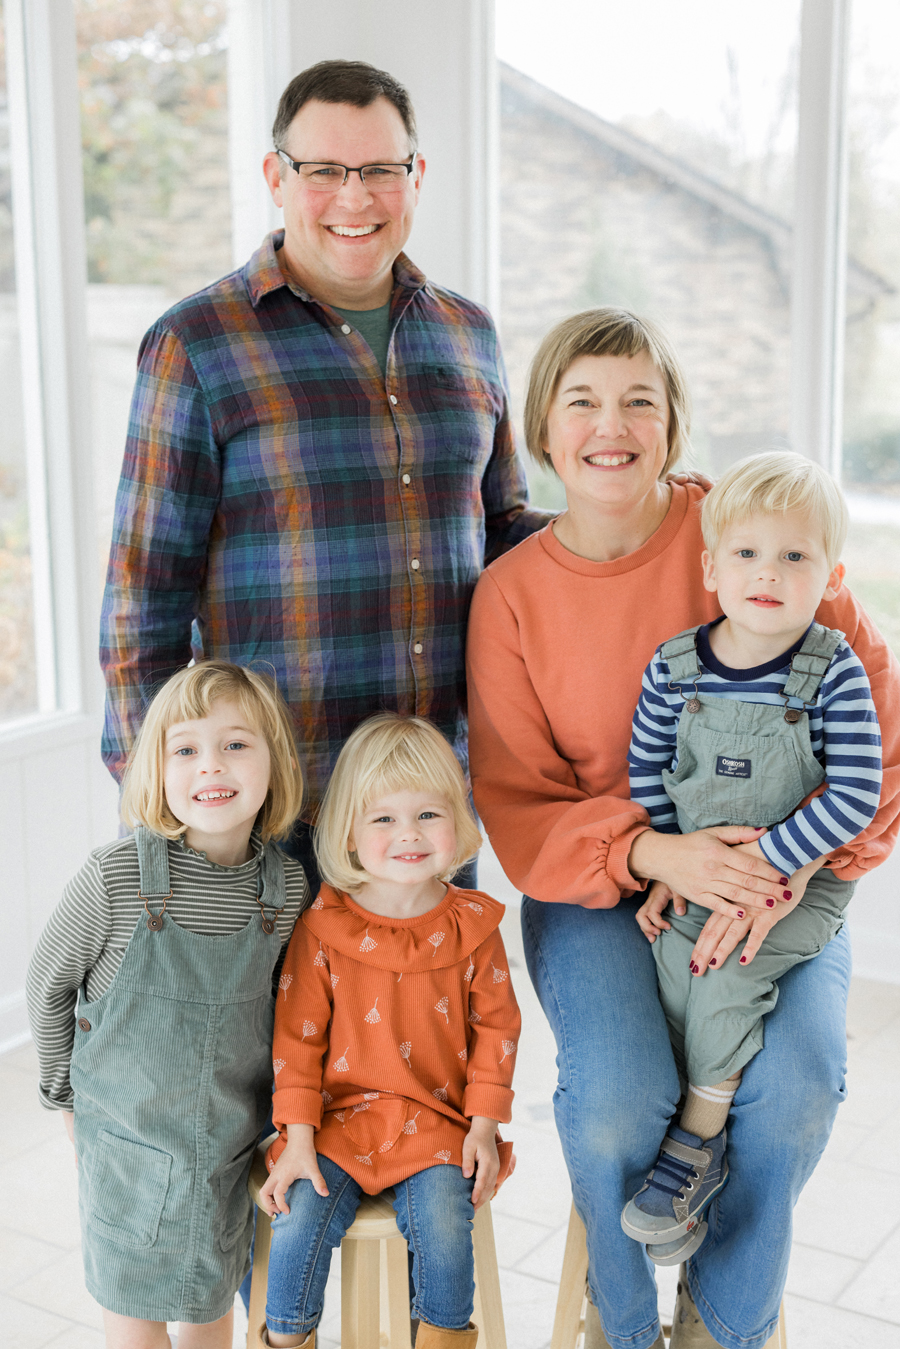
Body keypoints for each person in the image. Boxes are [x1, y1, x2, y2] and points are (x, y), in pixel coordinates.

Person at [465, 308, 900, 1349]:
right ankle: (622, 1325)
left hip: (777, 882)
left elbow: (879, 731)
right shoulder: (511, 596)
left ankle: (719, 1325)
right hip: (600, 893)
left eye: (638, 402)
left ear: (673, 421)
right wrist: (654, 851)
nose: (610, 425)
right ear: (541, 427)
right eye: (582, 401)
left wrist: (786, 865)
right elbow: (518, 802)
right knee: (617, 1100)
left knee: (792, 1089)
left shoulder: (752, 530)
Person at [98, 58, 549, 892]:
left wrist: (640, 519)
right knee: (277, 1030)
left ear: (417, 176)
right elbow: (143, 598)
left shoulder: (468, 335)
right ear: (276, 176)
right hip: (272, 814)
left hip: (428, 807)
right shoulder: (197, 343)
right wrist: (160, 817)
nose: (356, 197)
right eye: (324, 171)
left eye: (381, 168)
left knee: (437, 1024)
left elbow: (502, 533)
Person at [619, 452, 882, 1266]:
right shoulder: (674, 666)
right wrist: (666, 866)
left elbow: (856, 794)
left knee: (727, 973)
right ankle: (703, 1112)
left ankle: (697, 1143)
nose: (768, 573)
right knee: (672, 970)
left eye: (795, 556)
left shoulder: (832, 667)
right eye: (747, 553)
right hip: (697, 873)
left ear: (830, 574)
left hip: (797, 888)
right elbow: (649, 773)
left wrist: (765, 866)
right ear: (711, 567)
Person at [26, 661, 308, 1349]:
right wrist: (63, 1094)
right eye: (185, 749)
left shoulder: (286, 890)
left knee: (209, 1314)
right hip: (126, 1150)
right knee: (136, 1329)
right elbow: (46, 984)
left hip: (225, 1154)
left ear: (275, 759)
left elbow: (291, 1017)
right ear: (156, 769)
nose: (211, 764)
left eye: (236, 743)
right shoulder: (115, 879)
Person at [255, 713, 520, 1349]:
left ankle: (440, 1338)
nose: (409, 834)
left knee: (447, 1232)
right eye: (383, 819)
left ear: (457, 822)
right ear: (348, 831)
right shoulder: (322, 928)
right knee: (297, 1222)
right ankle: (286, 1339)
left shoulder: (473, 928)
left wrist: (483, 1128)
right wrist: (295, 1139)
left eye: (428, 815)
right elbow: (297, 1040)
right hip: (334, 1123)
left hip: (439, 1125)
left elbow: (499, 1030)